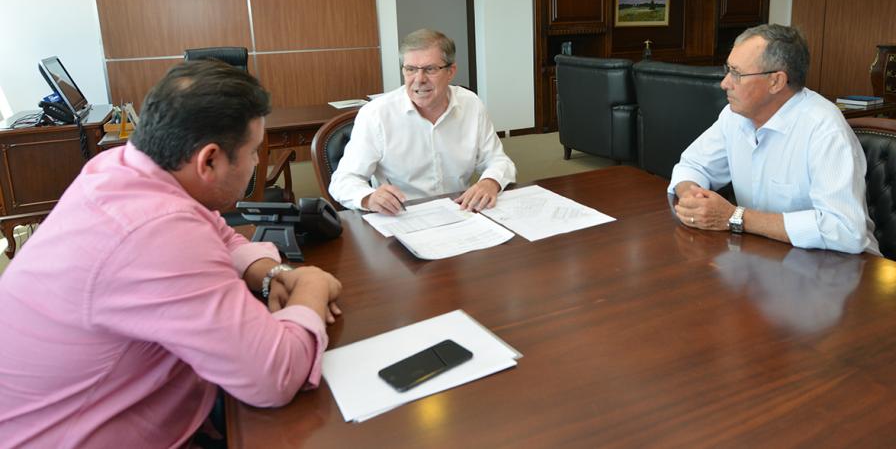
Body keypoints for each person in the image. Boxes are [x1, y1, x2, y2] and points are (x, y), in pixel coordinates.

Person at [0, 61, 342, 447]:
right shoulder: (155, 229)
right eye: (252, 152)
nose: (255, 164)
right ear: (209, 160)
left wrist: (270, 272)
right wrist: (310, 285)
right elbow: (274, 376)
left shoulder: (122, 166)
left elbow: (218, 231)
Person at [668, 23, 879, 254]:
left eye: (737, 74)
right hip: (767, 255)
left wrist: (734, 217)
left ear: (776, 81)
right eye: (727, 69)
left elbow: (846, 231)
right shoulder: (735, 116)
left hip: (842, 270)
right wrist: (693, 198)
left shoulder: (824, 129)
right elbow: (692, 165)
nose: (725, 83)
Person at [329, 28, 517, 215]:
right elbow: (343, 180)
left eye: (430, 69)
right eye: (410, 69)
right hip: (403, 218)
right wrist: (369, 198)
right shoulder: (376, 114)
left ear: (451, 71)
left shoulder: (471, 104)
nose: (419, 79)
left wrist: (490, 182)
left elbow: (498, 160)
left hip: (460, 213)